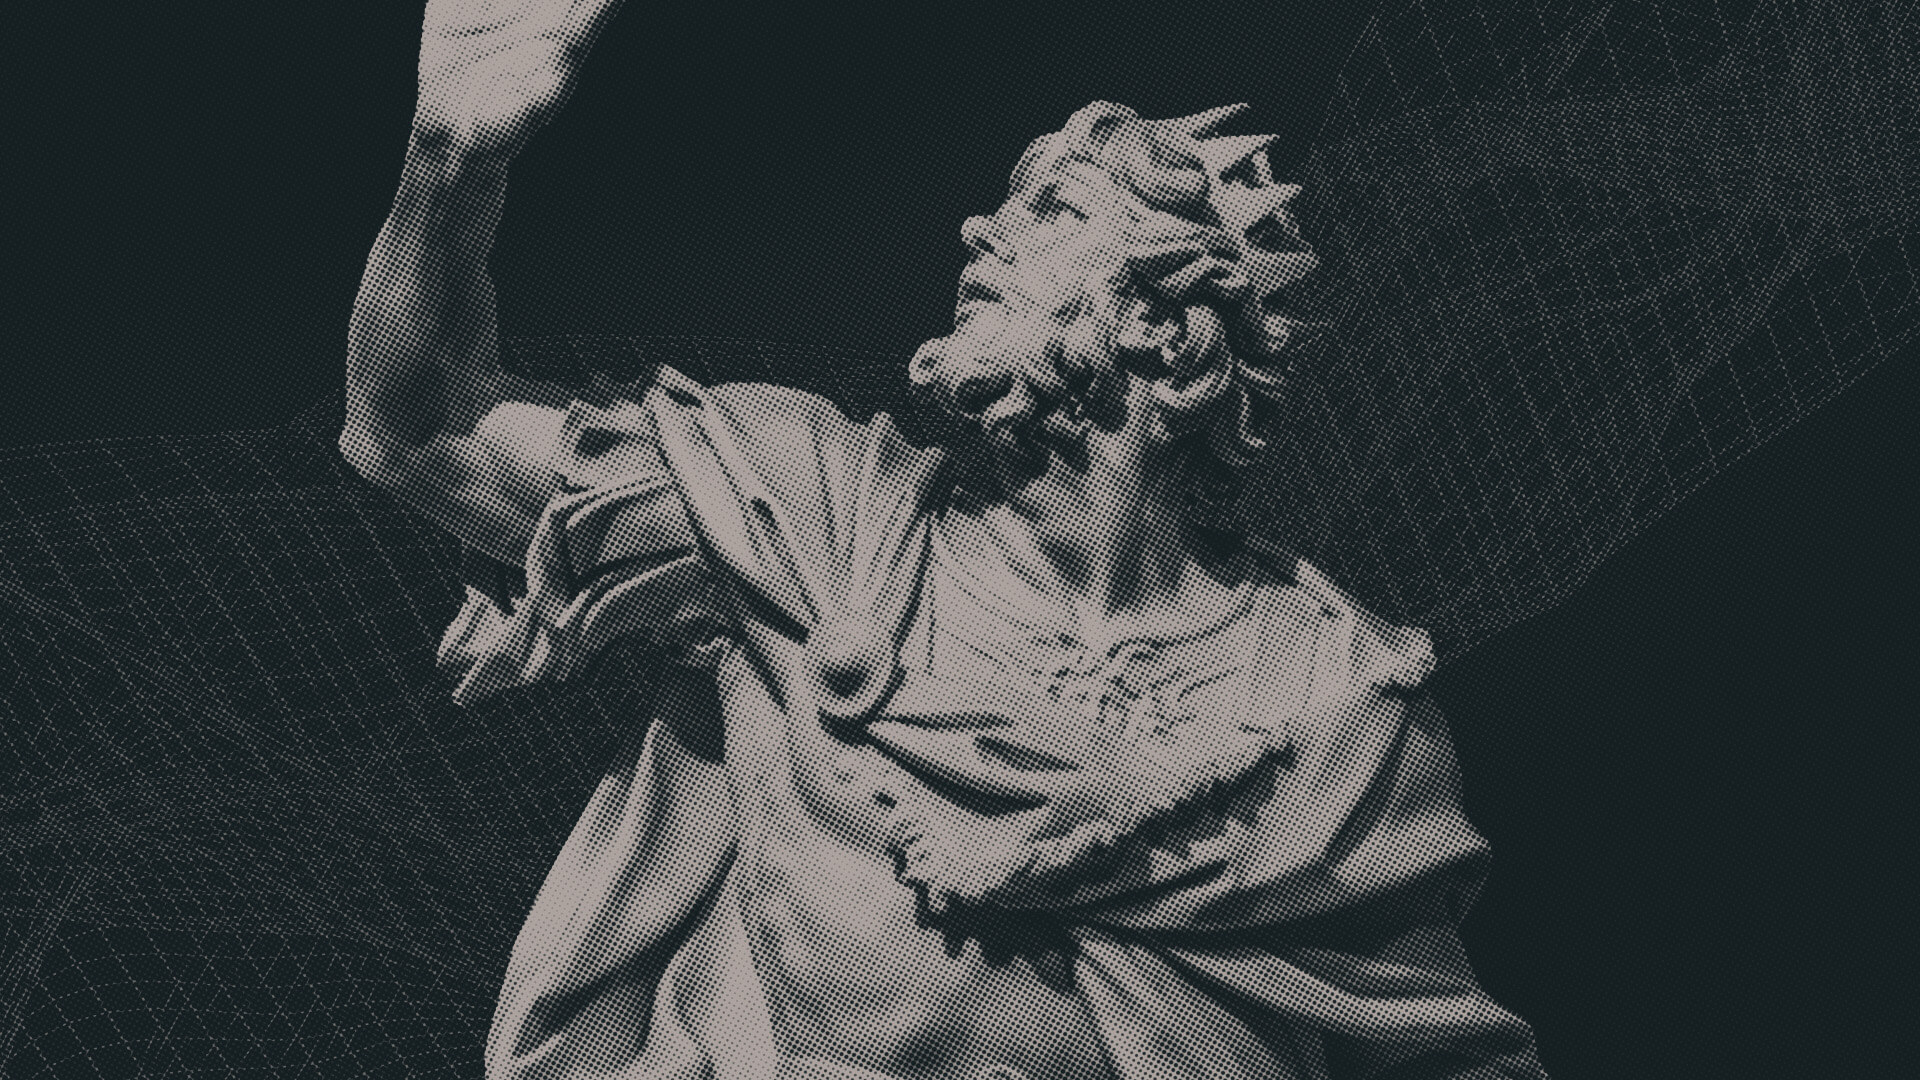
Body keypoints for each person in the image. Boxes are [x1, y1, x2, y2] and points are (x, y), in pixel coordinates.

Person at [339, 1, 1549, 1077]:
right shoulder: (811, 516)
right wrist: (449, 163)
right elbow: (420, 431)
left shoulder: (1335, 710)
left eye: (1054, 212)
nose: (977, 231)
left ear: (1172, 342)